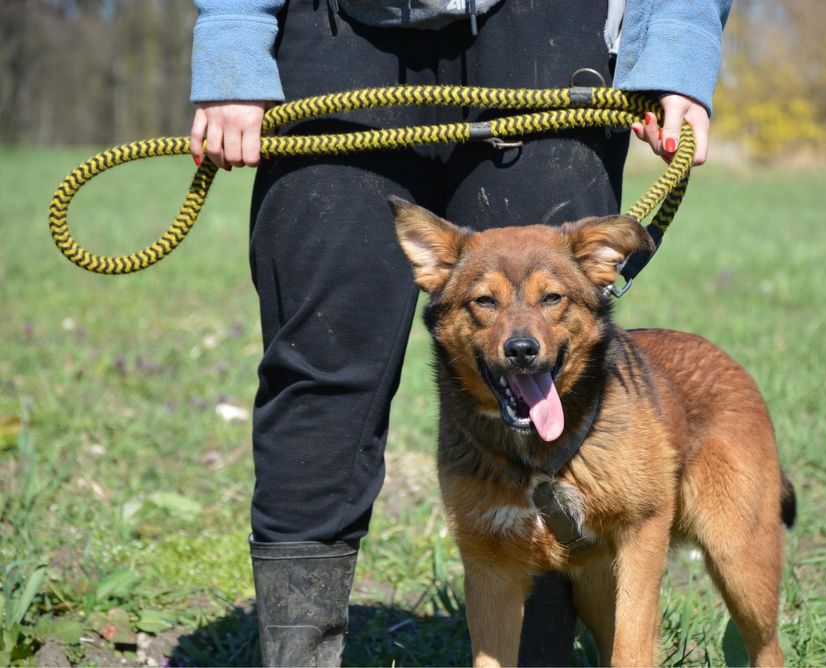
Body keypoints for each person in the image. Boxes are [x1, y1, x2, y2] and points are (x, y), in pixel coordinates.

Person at [189, 1, 730, 665]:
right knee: (321, 361)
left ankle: (538, 654)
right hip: (335, 30)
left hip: (550, 30)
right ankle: (297, 653)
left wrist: (677, 43)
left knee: (550, 358)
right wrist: (233, 36)